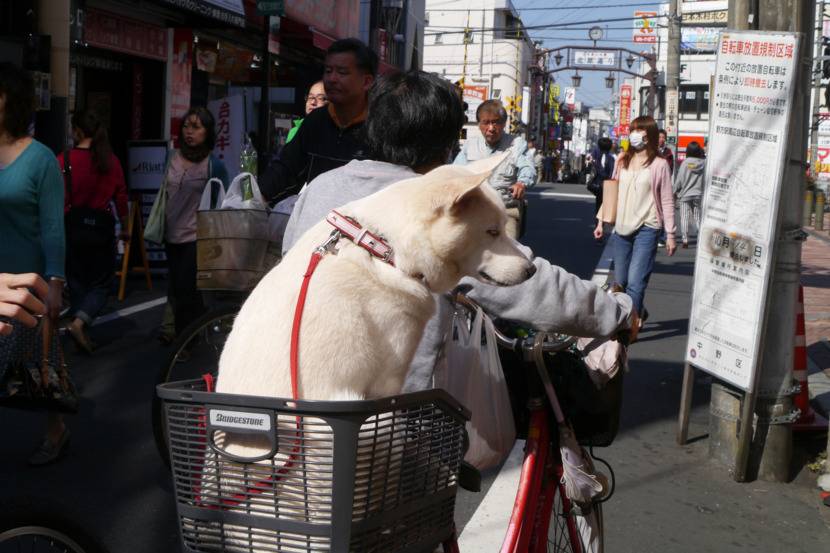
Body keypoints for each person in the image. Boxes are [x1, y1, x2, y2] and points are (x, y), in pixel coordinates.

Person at [282, 70, 637, 396]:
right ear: (448, 145)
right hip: (394, 416)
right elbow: (531, 286)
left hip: (297, 395)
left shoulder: (320, 188)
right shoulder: (439, 205)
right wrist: (616, 312)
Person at [0, 62, 68, 465]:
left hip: (27, 283)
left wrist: (55, 281)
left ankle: (56, 429)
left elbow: (52, 226)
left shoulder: (41, 160)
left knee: (39, 368)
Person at [259, 38, 377, 203]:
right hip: (315, 223)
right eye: (328, 71)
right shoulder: (315, 121)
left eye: (342, 72)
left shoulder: (381, 126)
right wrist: (256, 198)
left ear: (366, 82)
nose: (332, 79)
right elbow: (286, 168)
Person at [592, 115, 676, 323]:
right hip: (622, 227)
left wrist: (671, 234)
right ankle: (639, 311)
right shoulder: (622, 160)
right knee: (621, 281)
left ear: (650, 136)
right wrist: (601, 221)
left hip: (648, 227)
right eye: (633, 130)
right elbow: (612, 193)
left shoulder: (659, 165)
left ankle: (630, 328)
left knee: (636, 283)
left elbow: (666, 199)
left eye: (639, 131)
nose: (634, 135)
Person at [58, 109, 128, 353]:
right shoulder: (110, 160)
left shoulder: (64, 160)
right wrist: (126, 227)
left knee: (76, 282)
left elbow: (56, 196)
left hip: (72, 228)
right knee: (101, 284)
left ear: (76, 130)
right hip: (101, 230)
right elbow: (121, 197)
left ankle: (80, 327)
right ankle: (80, 324)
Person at [157, 107, 228, 339]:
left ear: (207, 132)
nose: (189, 131)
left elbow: (223, 200)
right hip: (171, 234)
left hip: (196, 237)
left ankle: (183, 339)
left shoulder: (213, 165)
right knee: (178, 286)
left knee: (185, 288)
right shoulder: (171, 158)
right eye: (187, 126)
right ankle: (193, 327)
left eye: (196, 127)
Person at [453, 100, 536, 239]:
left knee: (508, 256)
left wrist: (521, 183)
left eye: (496, 122)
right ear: (479, 124)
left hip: (505, 211)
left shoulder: (516, 144)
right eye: (486, 122)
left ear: (503, 124)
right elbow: (455, 172)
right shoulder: (470, 145)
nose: (491, 128)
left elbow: (527, 167)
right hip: (473, 212)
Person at [673, 141, 706, 248]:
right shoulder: (703, 163)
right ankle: (700, 238)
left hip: (685, 194)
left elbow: (679, 180)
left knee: (684, 217)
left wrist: (674, 191)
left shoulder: (685, 163)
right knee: (697, 216)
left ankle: (685, 240)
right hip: (698, 193)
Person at [285, 80, 327, 145]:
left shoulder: (334, 133)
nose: (313, 102)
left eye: (320, 98)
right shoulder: (295, 131)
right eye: (310, 97)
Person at [589, 137, 616, 216]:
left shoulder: (597, 157)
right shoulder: (611, 158)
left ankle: (598, 223)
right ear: (610, 147)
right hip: (607, 185)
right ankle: (600, 223)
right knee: (605, 206)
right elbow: (611, 173)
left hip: (597, 184)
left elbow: (597, 169)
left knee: (599, 205)